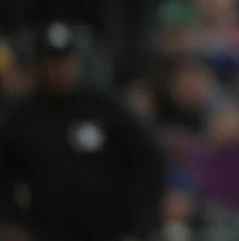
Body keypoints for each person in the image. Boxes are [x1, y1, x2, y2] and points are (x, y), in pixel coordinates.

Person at [0, 22, 166, 241]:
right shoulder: (21, 117)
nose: (61, 71)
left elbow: (150, 162)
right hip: (46, 232)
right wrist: (12, 222)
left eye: (67, 62)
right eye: (53, 63)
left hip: (110, 232)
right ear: (39, 67)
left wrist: (140, 224)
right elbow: (4, 175)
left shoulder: (107, 108)